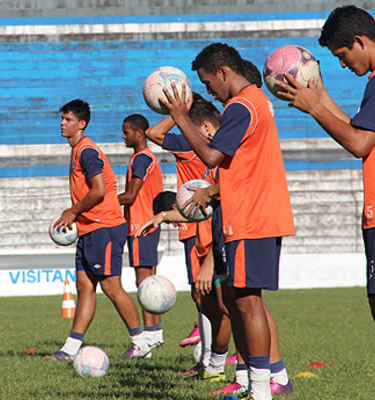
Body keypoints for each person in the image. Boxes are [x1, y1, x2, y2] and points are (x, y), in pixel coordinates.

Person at [276, 6, 375, 400]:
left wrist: (313, 109)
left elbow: (358, 143)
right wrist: (321, 97)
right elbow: (361, 132)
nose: (343, 64)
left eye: (342, 56)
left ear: (359, 42)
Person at [161, 43, 296, 400]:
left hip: (251, 216)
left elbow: (209, 154)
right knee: (242, 299)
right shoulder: (255, 101)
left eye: (208, 83)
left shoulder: (240, 105)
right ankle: (265, 379)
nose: (208, 92)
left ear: (223, 72)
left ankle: (264, 388)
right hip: (255, 212)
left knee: (247, 302)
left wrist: (180, 116)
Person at [49, 99, 151, 361]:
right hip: (89, 228)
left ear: (81, 124)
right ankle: (70, 350)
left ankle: (141, 343)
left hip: (104, 227)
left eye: (68, 119)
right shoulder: (77, 151)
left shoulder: (87, 151)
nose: (62, 123)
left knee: (111, 287)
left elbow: (99, 190)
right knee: (84, 286)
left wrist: (72, 211)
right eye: (62, 118)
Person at [145, 93, 213, 352]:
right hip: (197, 218)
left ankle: (210, 348)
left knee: (202, 289)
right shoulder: (206, 143)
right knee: (205, 289)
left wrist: (178, 114)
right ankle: (208, 351)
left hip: (193, 223)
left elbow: (153, 133)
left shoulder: (189, 143)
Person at [118, 113, 164, 351]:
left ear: (138, 133)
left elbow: (131, 196)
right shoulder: (146, 158)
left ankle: (146, 340)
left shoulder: (141, 159)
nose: (123, 136)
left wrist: (104, 202)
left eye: (126, 132)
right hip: (148, 224)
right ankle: (155, 333)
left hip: (140, 225)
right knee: (150, 281)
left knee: (143, 282)